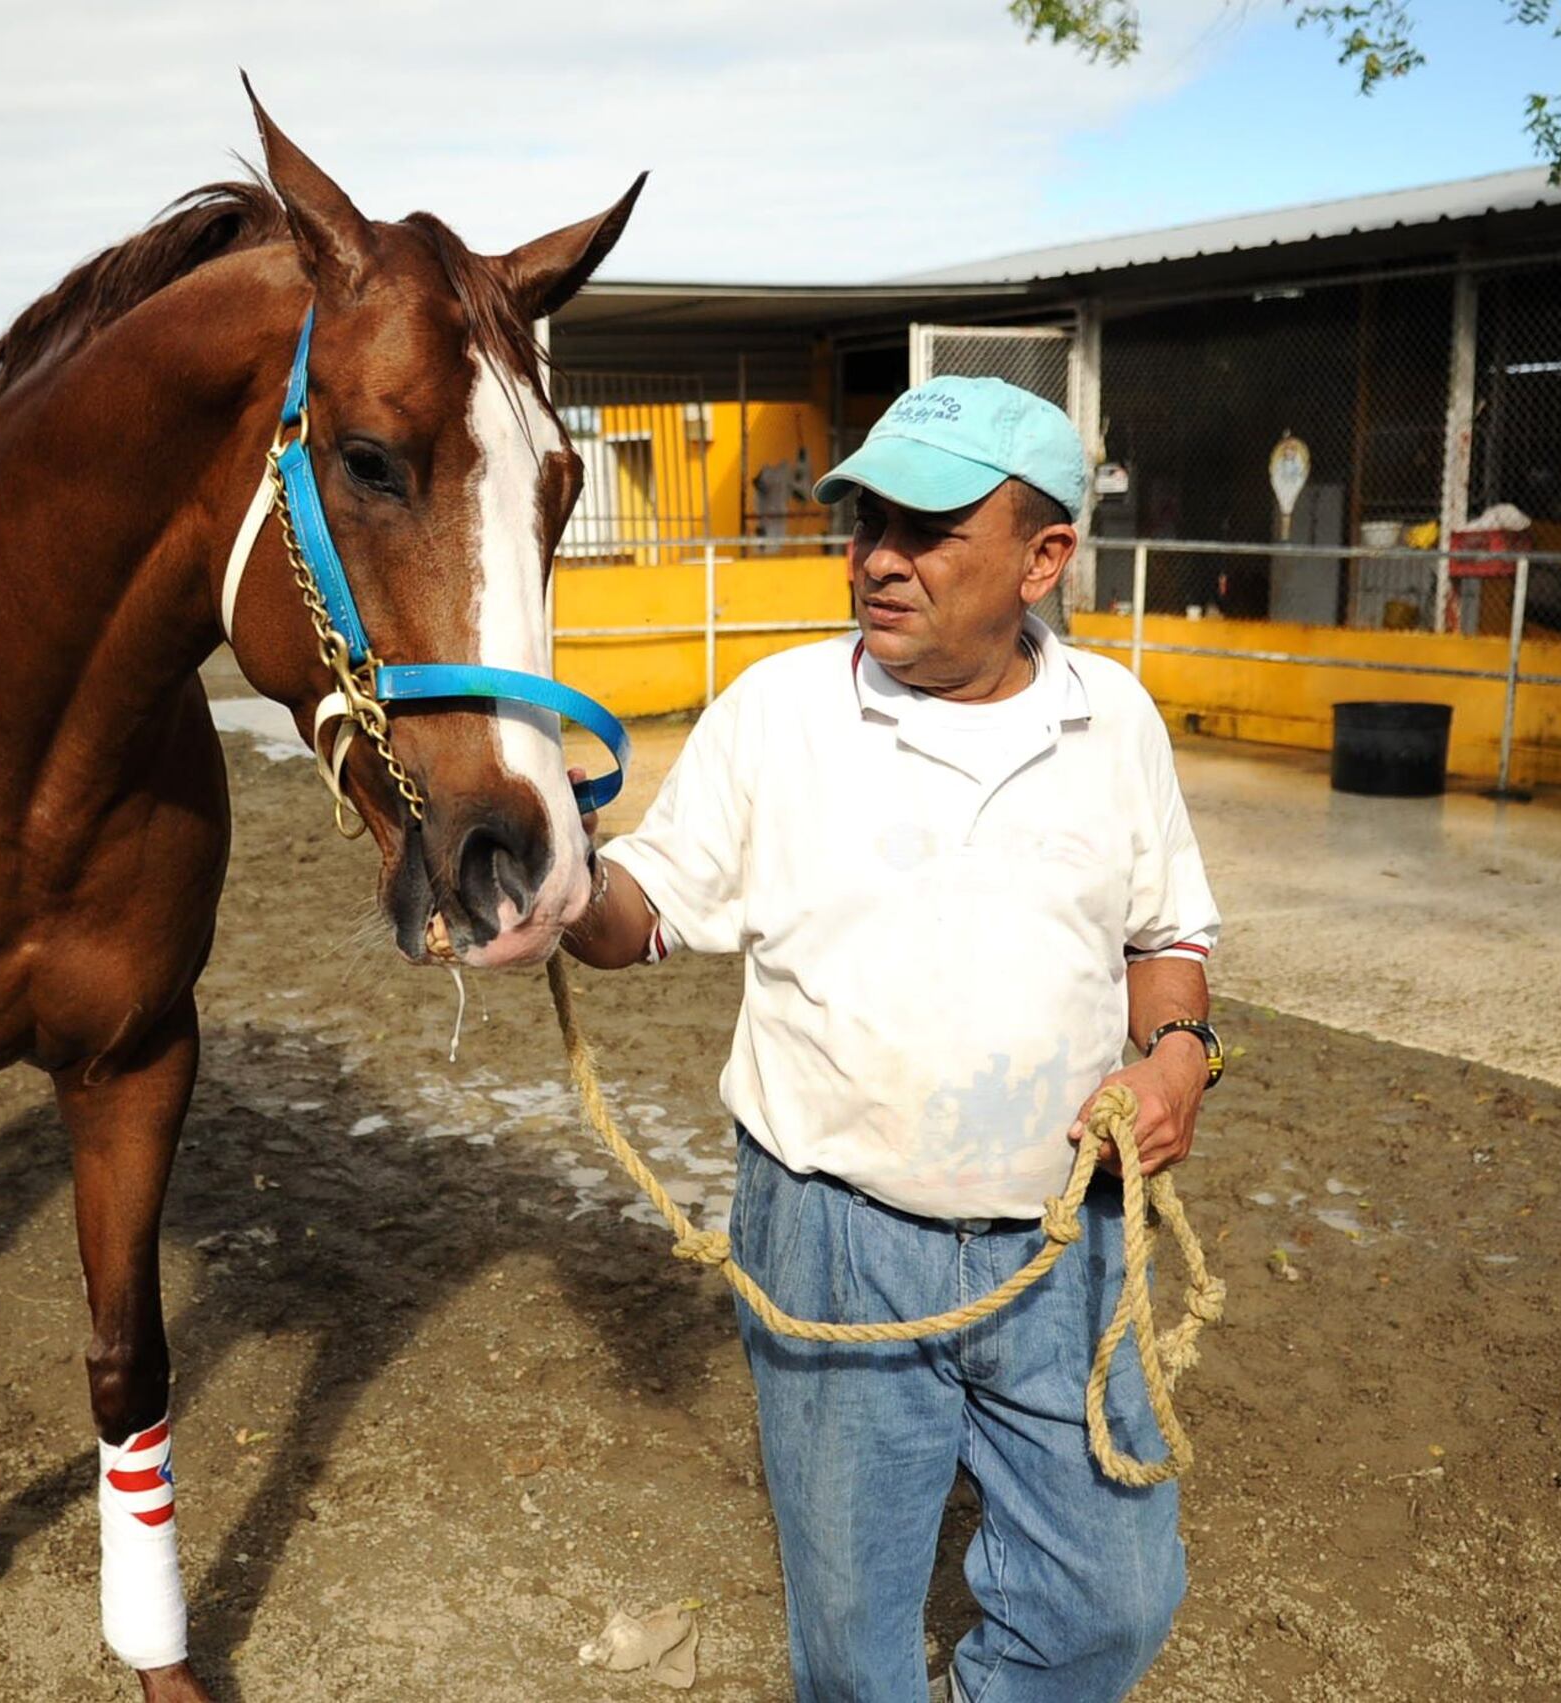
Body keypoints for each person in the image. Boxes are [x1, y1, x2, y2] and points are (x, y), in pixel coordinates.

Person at [563, 376, 1223, 1703]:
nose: (878, 559)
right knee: (856, 1642)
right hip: (830, 1234)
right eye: (865, 521)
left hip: (1065, 1236)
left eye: (925, 529)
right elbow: (642, 912)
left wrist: (1179, 1057)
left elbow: (1169, 935)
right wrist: (556, 886)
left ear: (1045, 558)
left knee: (1116, 1598)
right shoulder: (780, 713)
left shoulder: (1117, 723)